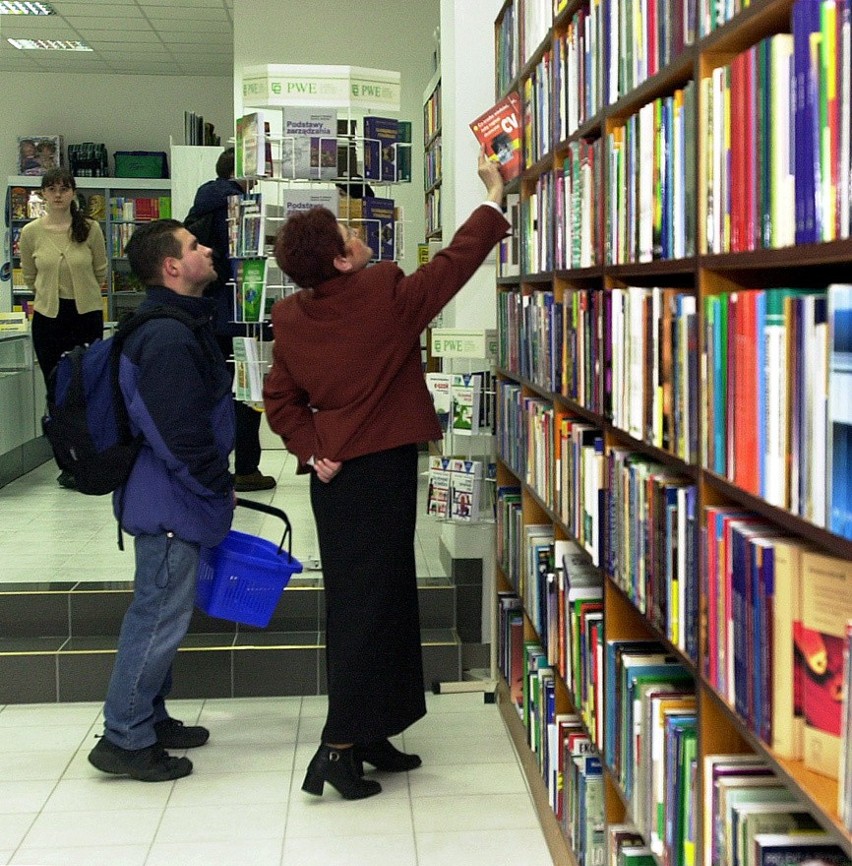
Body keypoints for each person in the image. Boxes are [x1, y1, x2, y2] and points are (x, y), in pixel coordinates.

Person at [263, 149, 507, 800]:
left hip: (340, 481)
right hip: (375, 475)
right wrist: (492, 198)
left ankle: (372, 732)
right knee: (368, 610)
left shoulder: (291, 317)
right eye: (350, 234)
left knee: (382, 599)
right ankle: (337, 750)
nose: (360, 235)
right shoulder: (382, 293)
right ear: (341, 260)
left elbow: (280, 400)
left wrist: (313, 447)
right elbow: (452, 268)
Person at [87, 219, 235, 782]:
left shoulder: (170, 324)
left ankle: (148, 716)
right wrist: (214, 483)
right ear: (172, 267)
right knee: (156, 617)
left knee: (161, 611)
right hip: (168, 499)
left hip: (164, 495)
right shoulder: (167, 336)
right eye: (194, 246)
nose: (207, 250)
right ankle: (125, 737)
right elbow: (175, 431)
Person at [185, 146, 276, 493]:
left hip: (207, 313)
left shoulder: (202, 204)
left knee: (215, 391)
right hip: (238, 313)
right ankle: (247, 468)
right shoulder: (238, 207)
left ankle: (215, 466)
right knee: (247, 391)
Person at [19, 167, 108, 489]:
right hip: (48, 317)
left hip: (85, 313)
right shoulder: (30, 232)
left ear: (73, 193)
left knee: (89, 386)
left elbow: (100, 268)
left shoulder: (91, 229)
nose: (58, 194)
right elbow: (29, 275)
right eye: (51, 188)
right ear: (43, 194)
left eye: (64, 188)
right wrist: (46, 293)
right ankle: (66, 462)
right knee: (55, 389)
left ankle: (92, 456)